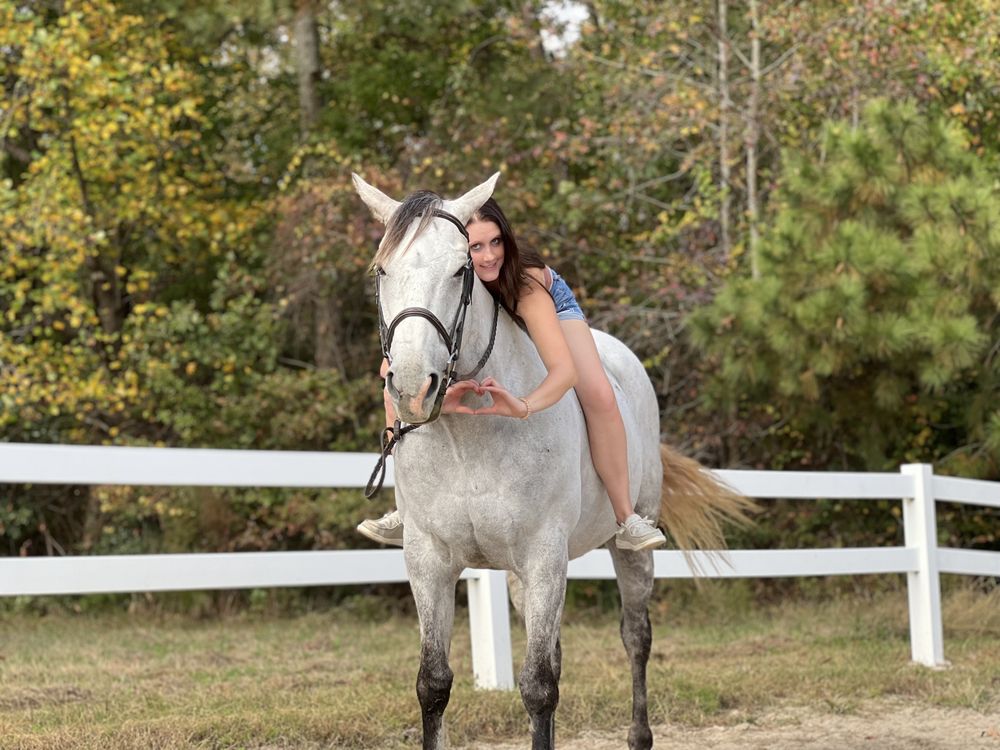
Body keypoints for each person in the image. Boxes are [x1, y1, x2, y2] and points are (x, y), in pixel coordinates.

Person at [357, 197, 666, 552]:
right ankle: (406, 508)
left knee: (597, 392)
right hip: (475, 302)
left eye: (496, 242)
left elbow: (563, 372)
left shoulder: (526, 285)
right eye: (476, 246)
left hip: (552, 305)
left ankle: (626, 517)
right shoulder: (452, 275)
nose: (489, 256)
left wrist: (523, 405)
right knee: (393, 385)